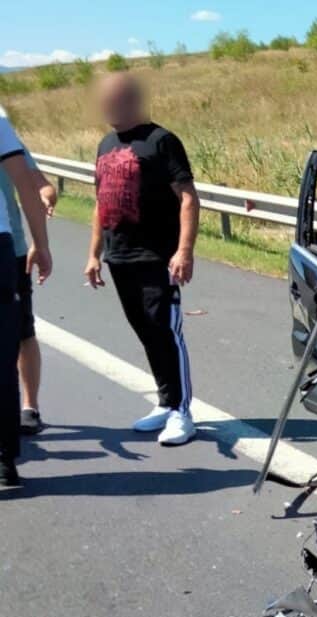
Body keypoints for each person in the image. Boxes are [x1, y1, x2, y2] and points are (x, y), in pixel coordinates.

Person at [84, 74, 199, 446]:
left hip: (156, 256)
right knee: (145, 331)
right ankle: (165, 403)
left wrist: (184, 250)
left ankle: (183, 412)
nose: (106, 107)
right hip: (119, 256)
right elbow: (101, 203)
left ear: (132, 100)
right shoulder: (104, 144)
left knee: (165, 330)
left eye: (113, 100)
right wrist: (93, 254)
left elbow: (188, 197)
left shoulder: (161, 141)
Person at [0, 106, 54, 486]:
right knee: (4, 353)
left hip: (8, 249)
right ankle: (5, 460)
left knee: (17, 339)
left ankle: (28, 409)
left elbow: (29, 180)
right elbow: (24, 181)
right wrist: (43, 243)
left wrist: (37, 242)